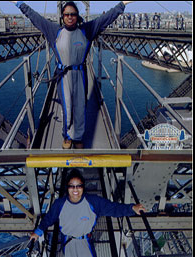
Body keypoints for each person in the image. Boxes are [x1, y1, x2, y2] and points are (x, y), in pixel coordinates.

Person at [11, 1, 134, 149]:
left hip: (80, 74)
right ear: (63, 17)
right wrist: (19, 3)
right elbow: (35, 17)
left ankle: (78, 137)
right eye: (67, 14)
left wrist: (122, 4)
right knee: (67, 107)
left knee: (81, 107)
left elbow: (106, 18)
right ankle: (67, 136)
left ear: (77, 16)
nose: (70, 17)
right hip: (63, 76)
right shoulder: (54, 31)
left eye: (73, 14)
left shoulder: (87, 30)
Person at [30, 169, 145, 257]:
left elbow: (113, 208)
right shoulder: (60, 204)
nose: (75, 189)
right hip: (67, 241)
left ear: (83, 187)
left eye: (78, 186)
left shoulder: (93, 202)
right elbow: (49, 218)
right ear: (67, 188)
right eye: (72, 186)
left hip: (84, 241)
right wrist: (37, 232)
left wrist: (131, 208)